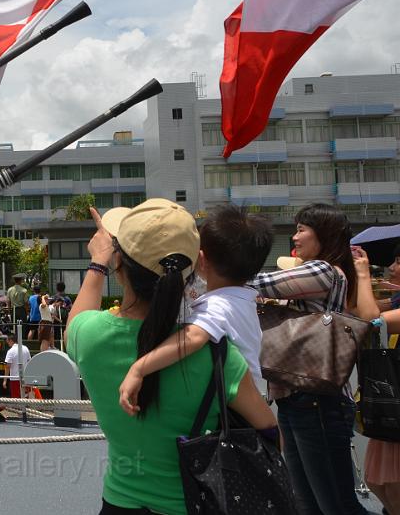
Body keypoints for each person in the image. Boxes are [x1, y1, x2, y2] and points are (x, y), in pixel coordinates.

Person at [65, 199, 277, 515]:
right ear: (196, 268)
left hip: (119, 503)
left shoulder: (89, 335)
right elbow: (269, 431)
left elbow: (75, 322)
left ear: (119, 264)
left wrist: (98, 262)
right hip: (195, 503)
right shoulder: (217, 353)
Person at [247, 203, 377, 515]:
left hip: (318, 401)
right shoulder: (321, 273)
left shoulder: (323, 271)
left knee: (337, 506)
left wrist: (219, 270)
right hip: (298, 399)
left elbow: (257, 284)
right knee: (309, 505)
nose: (295, 237)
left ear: (325, 234)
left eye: (302, 229)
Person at [117, 205, 273, 415]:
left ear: (201, 259)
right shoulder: (242, 300)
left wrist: (139, 369)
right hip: (253, 396)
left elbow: (192, 338)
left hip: (235, 406)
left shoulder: (217, 306)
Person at [367, 242, 400, 513]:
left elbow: (372, 318)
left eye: (399, 261)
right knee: (380, 483)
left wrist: (363, 276)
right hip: (393, 399)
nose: (391, 268)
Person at [3, 332, 30, 398]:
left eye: (7, 340)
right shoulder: (26, 348)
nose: (7, 342)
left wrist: (5, 380)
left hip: (15, 379)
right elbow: (29, 362)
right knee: (26, 397)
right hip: (25, 378)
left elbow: (7, 367)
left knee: (16, 399)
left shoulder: (10, 351)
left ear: (11, 340)